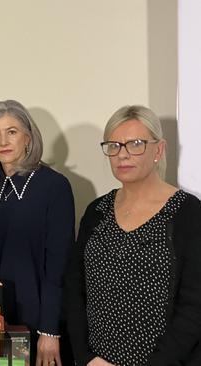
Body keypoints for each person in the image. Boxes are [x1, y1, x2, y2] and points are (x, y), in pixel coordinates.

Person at [64, 105, 201, 365]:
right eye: (114, 146)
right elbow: (75, 289)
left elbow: (194, 307)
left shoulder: (188, 213)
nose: (122, 155)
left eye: (135, 144)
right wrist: (86, 357)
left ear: (158, 150)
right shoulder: (97, 211)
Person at [0, 100, 74, 366]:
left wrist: (50, 331)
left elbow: (59, 266)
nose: (3, 140)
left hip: (39, 323)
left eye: (11, 131)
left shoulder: (54, 187)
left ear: (28, 137)